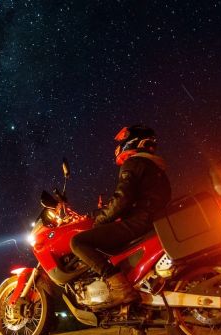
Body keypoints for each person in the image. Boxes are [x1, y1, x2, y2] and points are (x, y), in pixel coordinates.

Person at [70, 124, 172, 307]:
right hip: (151, 221)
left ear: (131, 142)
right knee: (124, 266)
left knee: (78, 242)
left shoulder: (133, 163)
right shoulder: (155, 168)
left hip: (139, 221)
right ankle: (137, 334)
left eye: (121, 142)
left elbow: (122, 198)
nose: (117, 147)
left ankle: (121, 288)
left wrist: (100, 220)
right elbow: (133, 199)